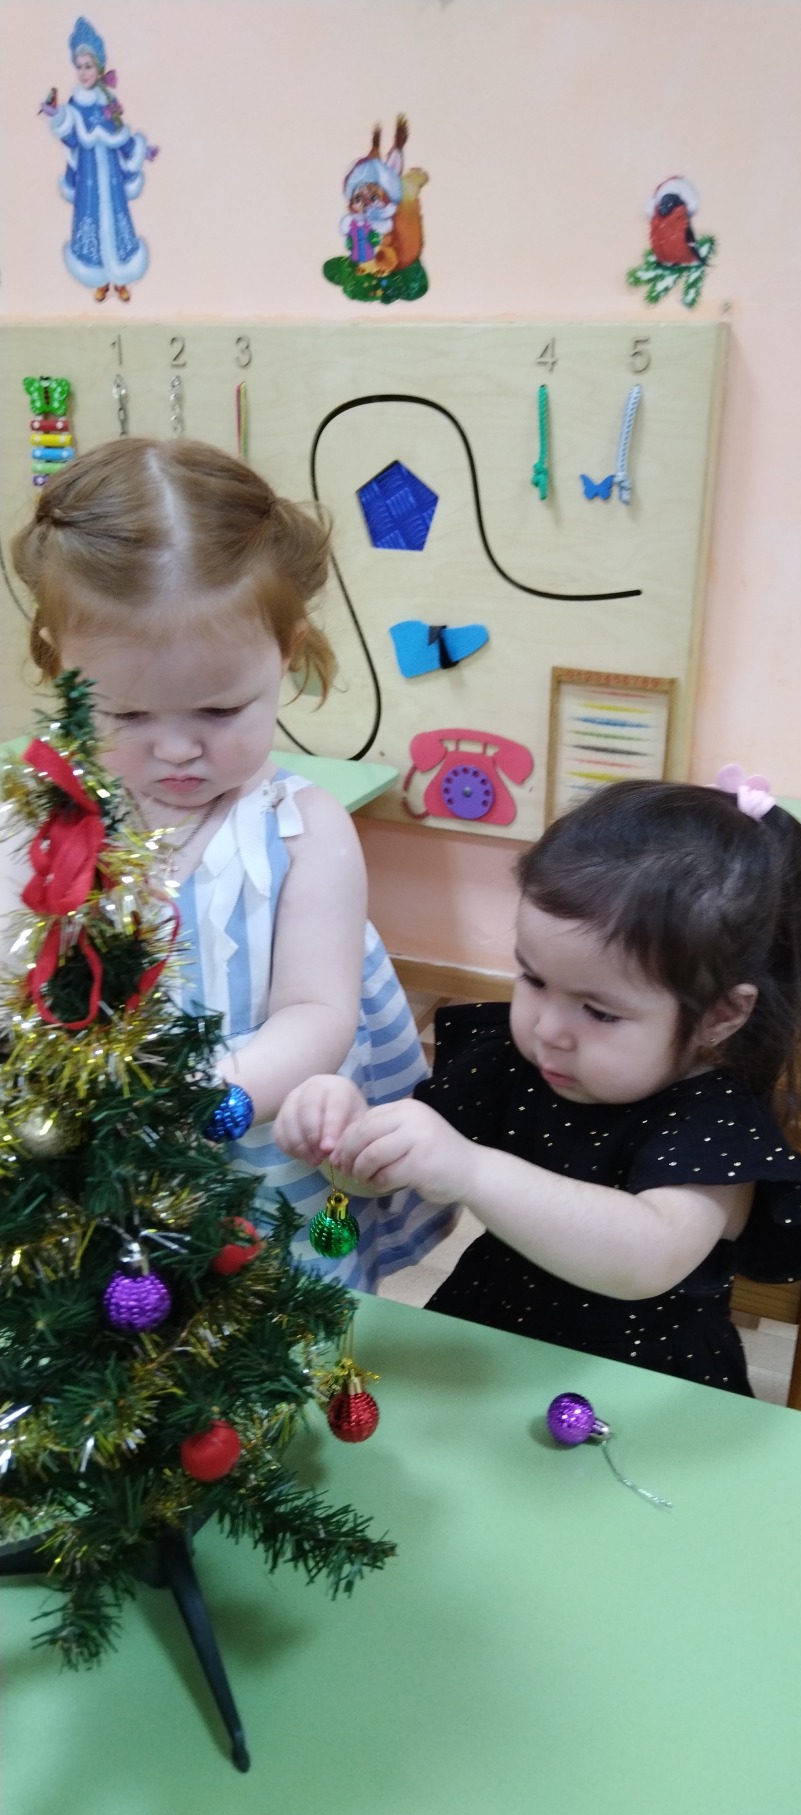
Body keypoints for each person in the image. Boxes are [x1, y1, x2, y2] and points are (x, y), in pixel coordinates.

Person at [5, 436, 454, 1290]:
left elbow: (317, 1013)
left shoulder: (303, 831)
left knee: (265, 1323)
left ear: (287, 653)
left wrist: (202, 1099)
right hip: (88, 1163)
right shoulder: (37, 823)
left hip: (258, 1157)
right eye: (127, 715)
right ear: (59, 666)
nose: (177, 749)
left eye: (219, 710)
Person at [276, 777, 801, 1393]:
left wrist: (470, 1168)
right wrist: (345, 1132)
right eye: (533, 979)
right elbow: (388, 1175)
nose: (548, 1029)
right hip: (489, 1345)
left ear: (721, 1015)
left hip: (642, 1382)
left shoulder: (714, 1120)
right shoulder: (513, 1062)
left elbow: (648, 1255)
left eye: (599, 1012)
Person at [39, 16, 158, 302]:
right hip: (88, 177)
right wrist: (57, 118)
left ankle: (122, 279)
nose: (83, 72)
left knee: (117, 219)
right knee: (91, 218)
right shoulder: (75, 104)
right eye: (79, 66)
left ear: (99, 67)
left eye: (88, 66)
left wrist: (141, 149)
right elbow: (71, 138)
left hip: (112, 177)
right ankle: (100, 279)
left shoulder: (108, 101)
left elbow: (120, 135)